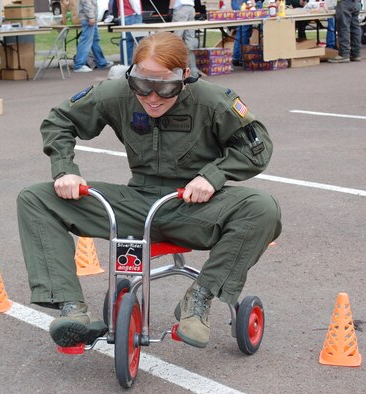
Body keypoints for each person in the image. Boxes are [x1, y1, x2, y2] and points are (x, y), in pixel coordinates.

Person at [17, 31, 282, 349]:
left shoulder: (213, 101)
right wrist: (64, 169)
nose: (152, 98)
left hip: (193, 206)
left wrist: (213, 176)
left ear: (185, 77)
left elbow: (258, 148)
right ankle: (72, 308)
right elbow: (60, 120)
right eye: (142, 86)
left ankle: (198, 298)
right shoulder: (116, 94)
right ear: (132, 75)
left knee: (263, 207)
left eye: (164, 88)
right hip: (137, 203)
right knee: (36, 198)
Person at [73, 0, 114, 72]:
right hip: (87, 17)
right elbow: (86, 2)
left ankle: (101, 62)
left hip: (90, 17)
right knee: (86, 40)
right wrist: (91, 16)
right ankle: (79, 65)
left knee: (95, 40)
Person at [169, 0, 201, 77]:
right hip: (191, 8)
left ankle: (176, 70)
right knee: (190, 39)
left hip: (181, 9)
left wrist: (170, 8)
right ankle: (193, 71)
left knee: (177, 39)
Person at [113, 0, 144, 65]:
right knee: (131, 40)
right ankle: (129, 64)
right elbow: (134, 2)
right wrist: (138, 12)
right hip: (131, 14)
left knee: (126, 40)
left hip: (126, 13)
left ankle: (126, 63)